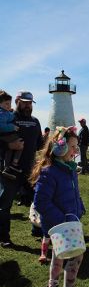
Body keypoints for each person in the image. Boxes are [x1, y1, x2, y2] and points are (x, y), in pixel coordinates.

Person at [30, 126, 87, 287]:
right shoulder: (49, 172)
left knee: (58, 254)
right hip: (60, 224)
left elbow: (74, 194)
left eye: (76, 146)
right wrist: (61, 220)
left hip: (71, 220)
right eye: (72, 146)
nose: (75, 150)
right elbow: (40, 202)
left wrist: (80, 208)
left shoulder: (69, 169)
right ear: (59, 148)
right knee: (76, 254)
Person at [0, 90, 43, 247]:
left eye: (30, 103)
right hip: (9, 171)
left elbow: (40, 145)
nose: (28, 105)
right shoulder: (7, 118)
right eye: (24, 102)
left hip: (30, 171)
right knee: (5, 205)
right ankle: (4, 238)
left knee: (39, 200)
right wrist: (8, 145)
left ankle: (37, 229)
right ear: (17, 101)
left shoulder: (35, 121)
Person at [0, 90, 24, 180]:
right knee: (19, 144)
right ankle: (12, 165)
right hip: (4, 135)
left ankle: (9, 167)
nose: (9, 106)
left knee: (13, 148)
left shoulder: (5, 112)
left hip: (7, 136)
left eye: (10, 104)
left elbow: (10, 116)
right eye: (6, 104)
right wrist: (12, 127)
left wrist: (12, 112)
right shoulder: (1, 113)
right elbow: (1, 126)